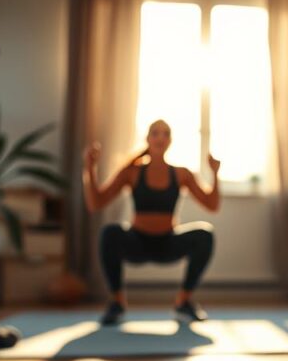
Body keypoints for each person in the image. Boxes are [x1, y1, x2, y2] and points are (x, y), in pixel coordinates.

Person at [82, 119, 219, 325]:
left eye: (165, 134)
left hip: (168, 242)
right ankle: (117, 303)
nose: (160, 137)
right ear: (148, 138)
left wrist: (215, 174)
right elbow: (96, 203)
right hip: (137, 242)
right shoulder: (132, 171)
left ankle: (183, 302)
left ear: (170, 141)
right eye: (155, 133)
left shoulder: (182, 174)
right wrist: (89, 169)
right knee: (109, 233)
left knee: (205, 235)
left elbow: (211, 205)